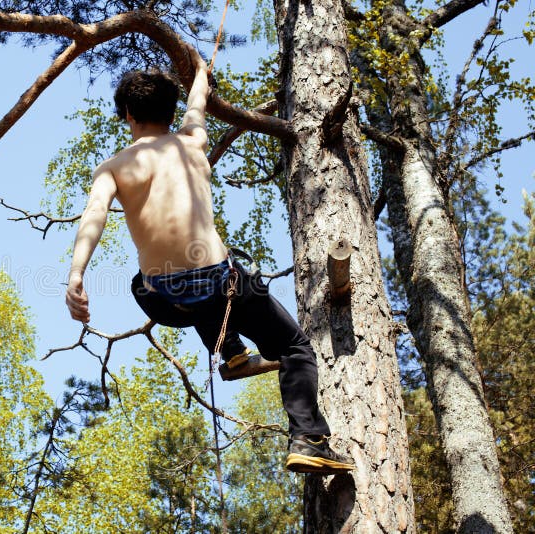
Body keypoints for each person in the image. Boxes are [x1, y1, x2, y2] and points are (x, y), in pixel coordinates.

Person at [64, 50, 354, 475]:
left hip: (164, 294)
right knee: (294, 347)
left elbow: (95, 215)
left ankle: (232, 352)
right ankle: (308, 438)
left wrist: (76, 275)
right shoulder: (192, 142)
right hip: (222, 284)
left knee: (142, 285)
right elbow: (198, 100)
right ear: (170, 110)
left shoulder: (112, 168)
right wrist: (200, 70)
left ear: (127, 113)